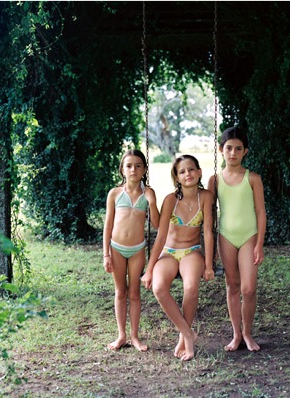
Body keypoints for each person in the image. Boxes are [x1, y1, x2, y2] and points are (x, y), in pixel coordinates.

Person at [141, 154, 215, 361]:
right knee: (158, 288)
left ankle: (185, 338)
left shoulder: (206, 196)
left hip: (192, 251)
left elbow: (208, 232)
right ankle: (187, 333)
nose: (187, 174)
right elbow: (161, 236)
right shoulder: (171, 200)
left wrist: (209, 265)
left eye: (191, 169)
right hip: (169, 252)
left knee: (190, 287)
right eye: (182, 171)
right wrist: (149, 269)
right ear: (177, 177)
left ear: (199, 172)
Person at [207, 127, 266, 352]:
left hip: (249, 236)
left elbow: (260, 212)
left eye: (238, 149)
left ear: (245, 151)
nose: (233, 153)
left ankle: (248, 333)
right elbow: (209, 215)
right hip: (226, 237)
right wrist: (211, 247)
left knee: (248, 289)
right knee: (232, 285)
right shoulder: (215, 180)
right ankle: (236, 334)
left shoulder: (253, 179)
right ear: (221, 150)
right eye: (229, 148)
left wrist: (259, 244)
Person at [103, 149, 160, 352]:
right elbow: (108, 225)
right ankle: (121, 335)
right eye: (129, 166)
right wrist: (106, 254)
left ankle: (134, 336)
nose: (133, 170)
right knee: (120, 292)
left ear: (144, 170)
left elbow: (156, 224)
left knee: (134, 293)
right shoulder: (115, 194)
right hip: (116, 249)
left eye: (138, 166)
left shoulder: (148, 194)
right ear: (122, 169)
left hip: (137, 250)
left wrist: (152, 202)